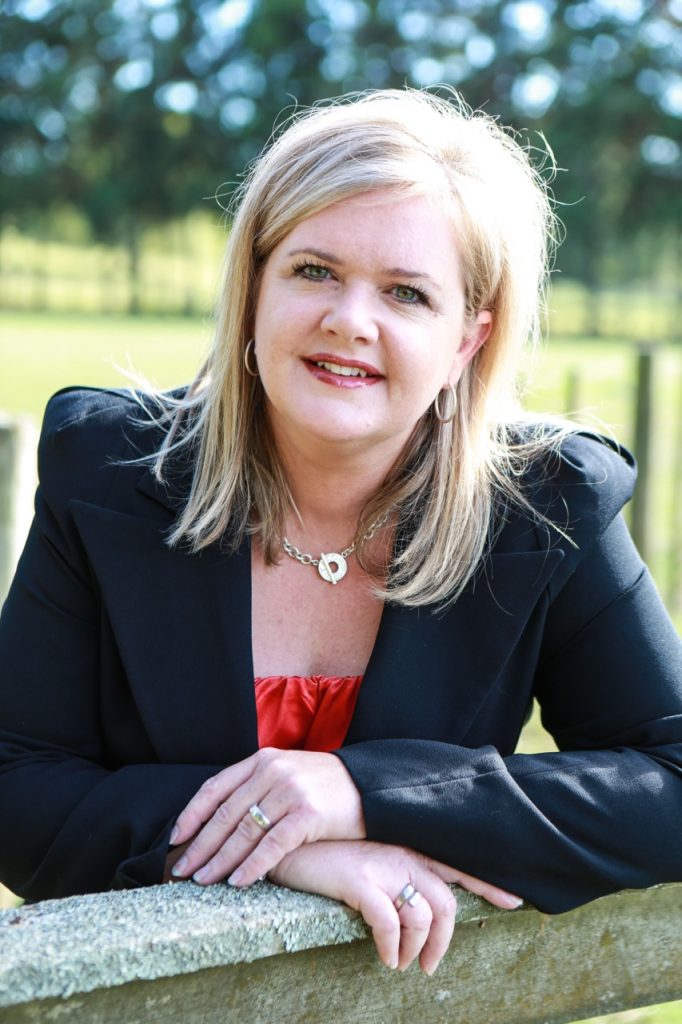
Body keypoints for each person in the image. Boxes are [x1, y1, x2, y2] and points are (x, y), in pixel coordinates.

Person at [1, 89, 681, 978]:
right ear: (255, 288)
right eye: (315, 270)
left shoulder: (546, 507)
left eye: (406, 292)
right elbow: (16, 783)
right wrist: (283, 846)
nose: (350, 320)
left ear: (467, 342)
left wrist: (365, 792)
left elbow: (671, 783)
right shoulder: (110, 475)